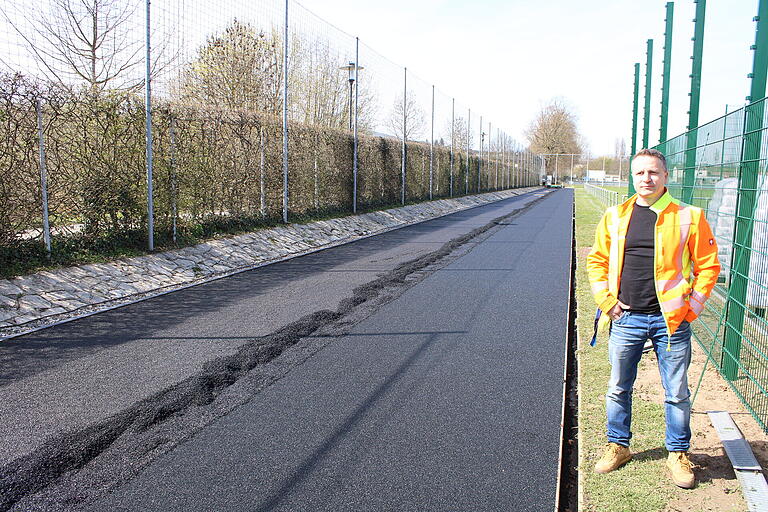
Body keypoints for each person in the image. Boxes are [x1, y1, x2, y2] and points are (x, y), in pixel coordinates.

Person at [586, 148, 720, 489]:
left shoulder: (689, 216)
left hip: (671, 321)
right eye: (640, 173)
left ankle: (677, 452)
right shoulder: (615, 216)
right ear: (632, 177)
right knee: (618, 387)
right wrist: (606, 301)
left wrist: (694, 307)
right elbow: (597, 261)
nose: (647, 179)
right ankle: (618, 445)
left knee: (676, 391)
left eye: (654, 173)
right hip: (626, 317)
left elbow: (708, 266)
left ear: (666, 176)